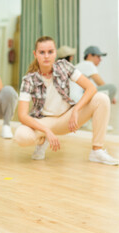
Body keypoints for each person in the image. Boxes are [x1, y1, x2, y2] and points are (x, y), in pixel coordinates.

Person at [13, 36, 118, 165]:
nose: (46, 56)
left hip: (67, 119)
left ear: (55, 53)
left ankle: (97, 151)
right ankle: (42, 140)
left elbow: (91, 88)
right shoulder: (28, 80)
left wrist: (76, 110)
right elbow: (22, 115)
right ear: (35, 54)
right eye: (42, 52)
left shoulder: (64, 66)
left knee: (101, 98)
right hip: (44, 121)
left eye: (50, 52)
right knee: (21, 136)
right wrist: (46, 131)